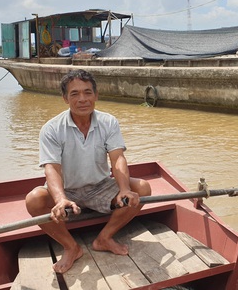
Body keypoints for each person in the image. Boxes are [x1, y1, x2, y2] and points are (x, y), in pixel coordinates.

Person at [25, 69, 152, 274]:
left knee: (142, 189)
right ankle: (71, 247)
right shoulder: (52, 129)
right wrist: (60, 200)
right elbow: (52, 168)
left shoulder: (108, 122)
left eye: (87, 92)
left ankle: (104, 238)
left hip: (99, 187)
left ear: (96, 95)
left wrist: (124, 189)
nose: (82, 99)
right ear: (65, 98)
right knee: (34, 199)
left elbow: (117, 157)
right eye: (74, 94)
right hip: (68, 190)